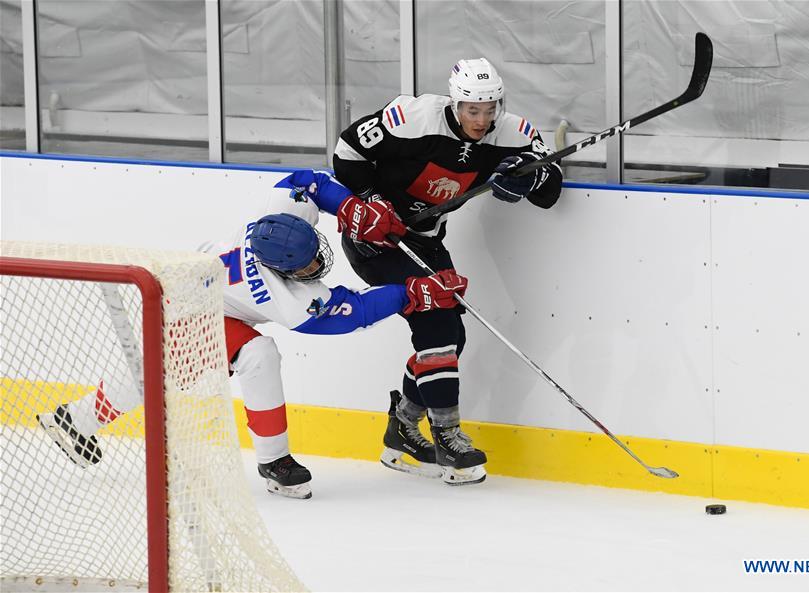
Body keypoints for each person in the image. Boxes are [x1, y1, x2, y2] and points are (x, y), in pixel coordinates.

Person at [37, 169, 468, 499]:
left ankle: (70, 420)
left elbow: (305, 182)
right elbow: (351, 313)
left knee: (167, 372)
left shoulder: (278, 219)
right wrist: (414, 292)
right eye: (302, 269)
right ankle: (274, 463)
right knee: (253, 356)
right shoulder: (283, 296)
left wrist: (351, 208)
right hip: (191, 308)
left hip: (199, 287)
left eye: (313, 254)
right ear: (281, 270)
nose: (315, 267)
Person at [332, 57, 563, 485]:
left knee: (452, 337)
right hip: (377, 241)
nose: (482, 119)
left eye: (490, 108)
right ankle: (446, 434)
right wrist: (368, 198)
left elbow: (550, 189)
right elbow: (347, 152)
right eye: (472, 110)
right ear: (455, 105)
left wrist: (528, 179)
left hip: (425, 238)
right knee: (436, 319)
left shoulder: (514, 132)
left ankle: (402, 428)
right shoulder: (410, 117)